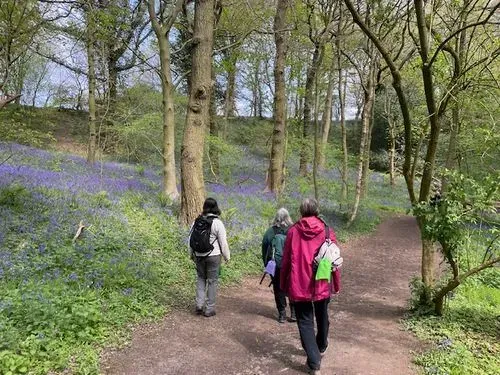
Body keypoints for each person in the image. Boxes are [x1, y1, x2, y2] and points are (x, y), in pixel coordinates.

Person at [280, 198, 338, 375]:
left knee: (305, 321)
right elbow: (333, 257)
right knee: (322, 316)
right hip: (321, 281)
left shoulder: (293, 231)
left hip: (300, 283)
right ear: (317, 210)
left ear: (301, 211)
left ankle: (314, 363)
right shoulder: (327, 230)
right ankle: (321, 346)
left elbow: (286, 259)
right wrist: (335, 281)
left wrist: (283, 283)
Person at [189, 197, 230, 318]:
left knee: (201, 279)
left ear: (204, 207)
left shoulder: (196, 221)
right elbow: (223, 242)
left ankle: (199, 305)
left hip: (199, 256)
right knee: (212, 281)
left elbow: (191, 240)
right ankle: (209, 309)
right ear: (216, 208)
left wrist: (191, 254)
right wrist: (227, 257)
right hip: (214, 256)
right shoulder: (218, 223)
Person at [261, 208, 296, 323]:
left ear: (276, 218)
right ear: (288, 217)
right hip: (291, 264)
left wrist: (268, 265)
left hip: (276, 265)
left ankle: (282, 314)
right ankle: (294, 313)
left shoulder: (270, 232)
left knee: (278, 287)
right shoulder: (293, 230)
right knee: (292, 286)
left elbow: (265, 249)